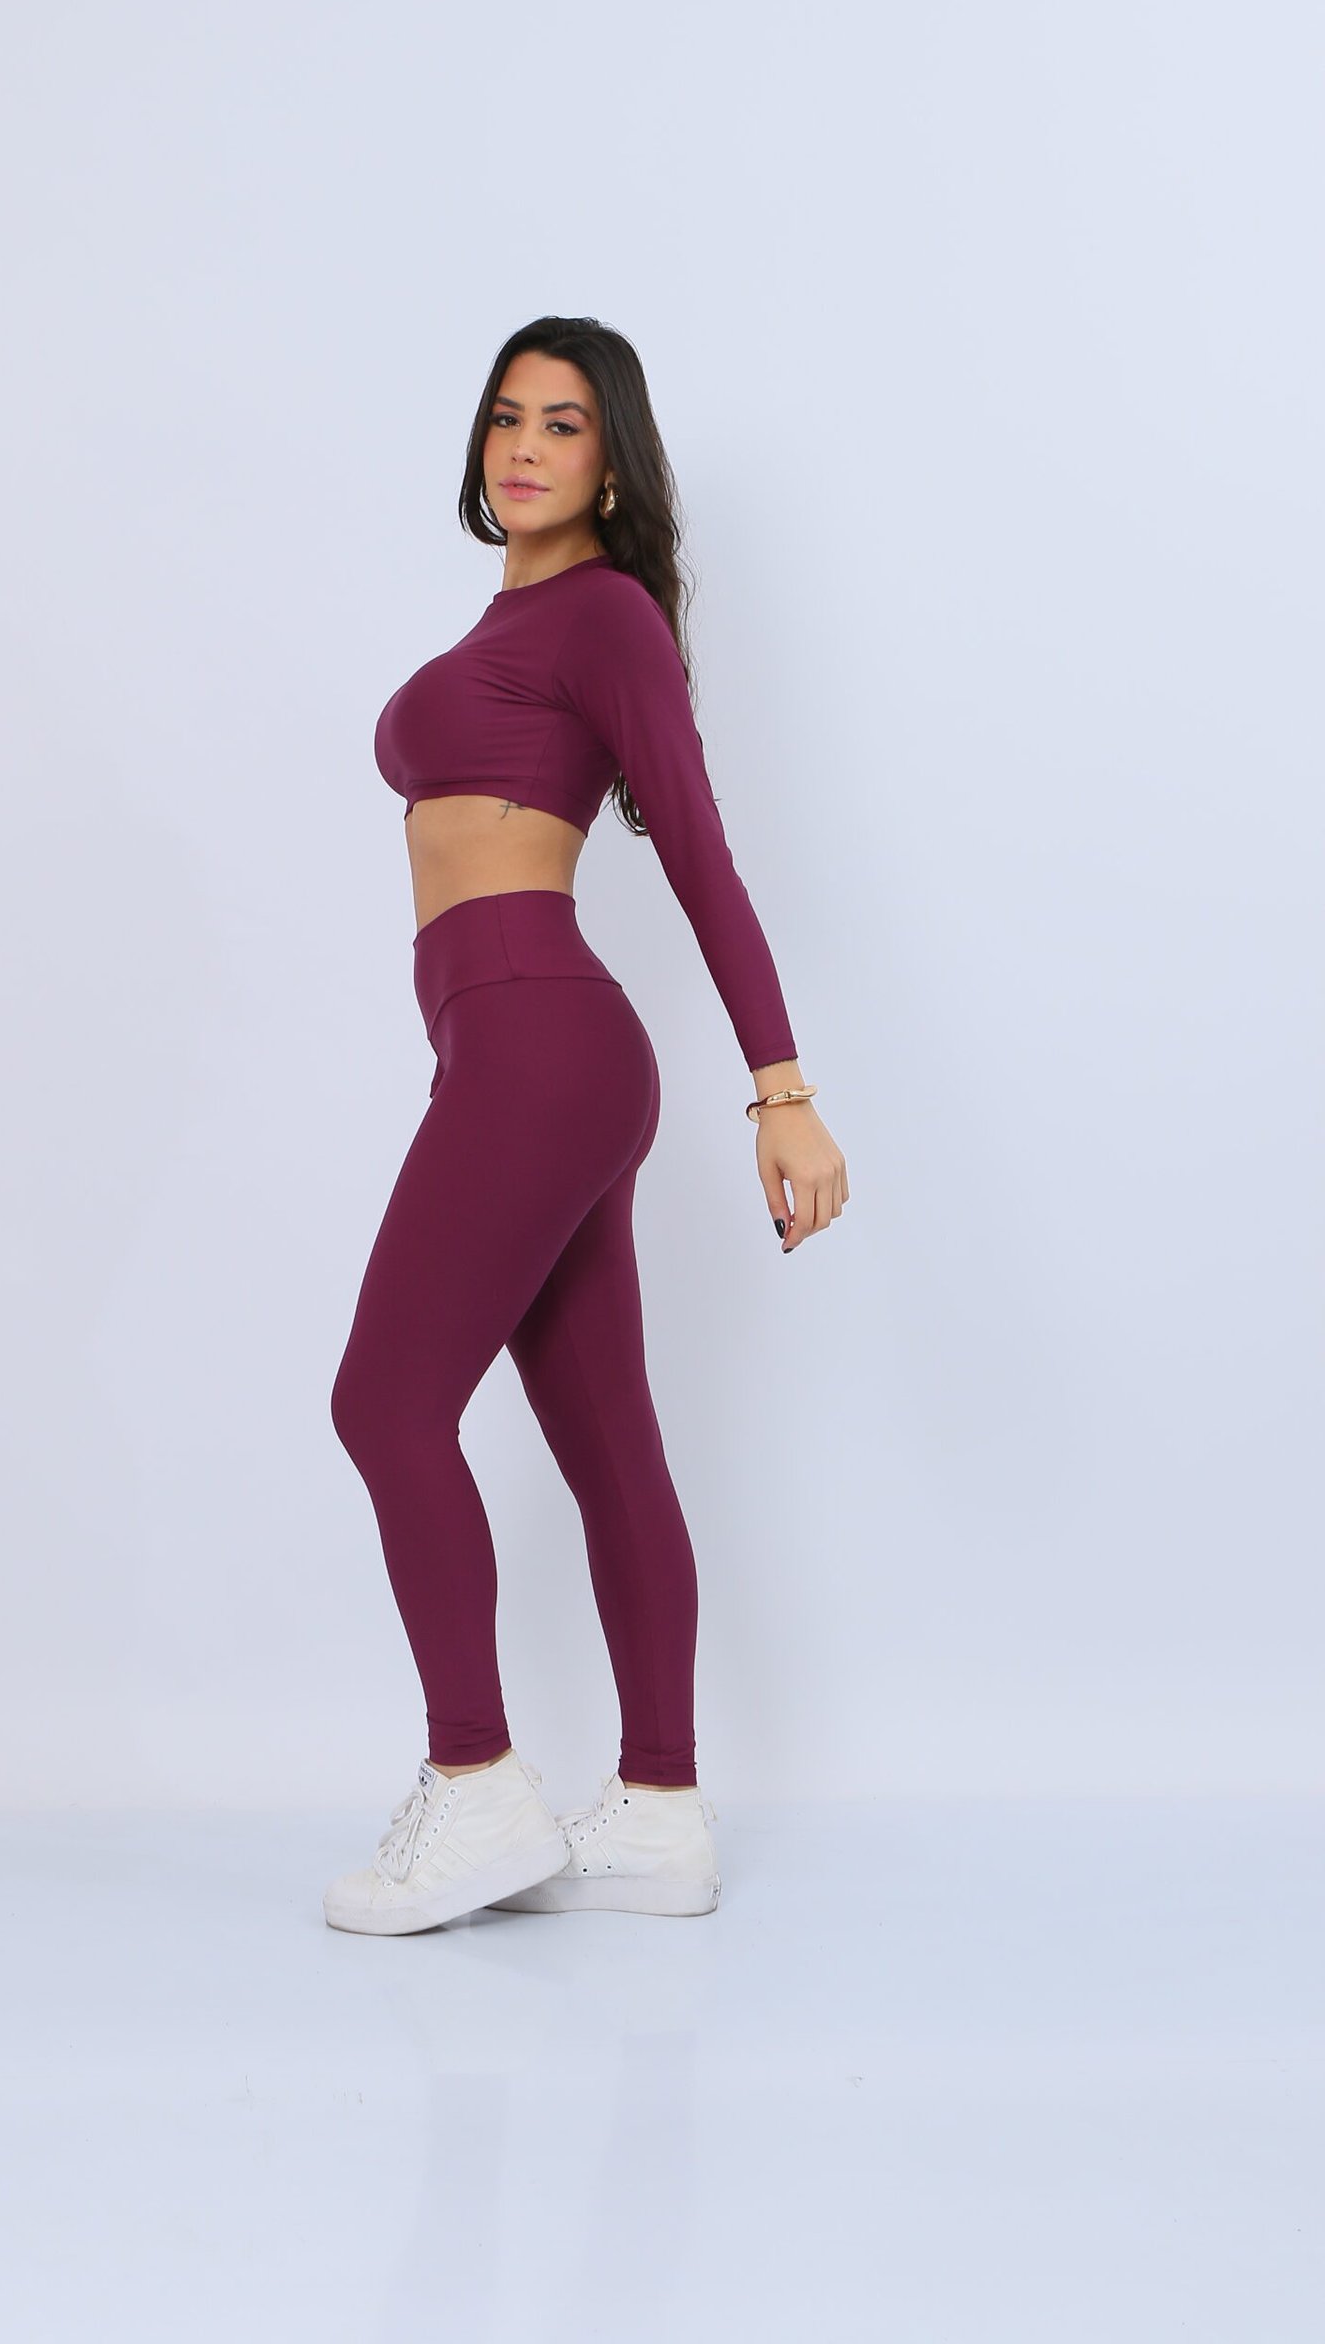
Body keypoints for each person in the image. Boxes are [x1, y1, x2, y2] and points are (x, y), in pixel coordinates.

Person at [324, 316, 848, 1938]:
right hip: (516, 1043)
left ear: (615, 463)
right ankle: (658, 1812)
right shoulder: (517, 621)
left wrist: (781, 1088)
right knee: (608, 1437)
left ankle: (476, 1783)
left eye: (564, 422)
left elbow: (697, 844)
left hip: (538, 1041)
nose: (526, 446)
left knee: (383, 1403)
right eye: (506, 417)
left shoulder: (605, 612)